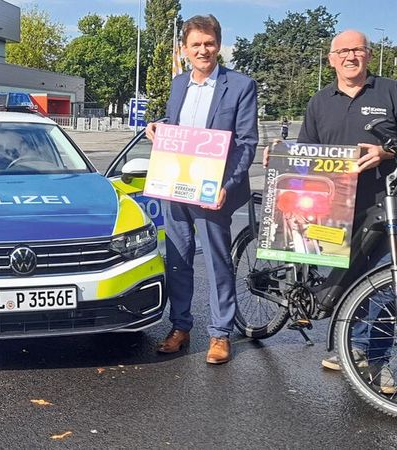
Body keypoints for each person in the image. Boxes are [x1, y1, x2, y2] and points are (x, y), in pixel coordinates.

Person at [145, 14, 258, 364]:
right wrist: (158, 129)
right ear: (185, 49)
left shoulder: (240, 86)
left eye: (209, 43)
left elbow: (246, 142)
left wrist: (229, 184)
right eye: (196, 44)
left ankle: (220, 333)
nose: (203, 50)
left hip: (214, 191)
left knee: (217, 261)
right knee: (177, 259)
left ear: (218, 46)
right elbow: (178, 127)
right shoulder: (179, 84)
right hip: (176, 185)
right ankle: (181, 326)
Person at [293, 30, 397, 389]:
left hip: (385, 205)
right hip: (337, 206)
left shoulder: (390, 91)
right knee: (345, 281)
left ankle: (374, 355)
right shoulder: (320, 101)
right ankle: (348, 348)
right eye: (343, 51)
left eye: (357, 50)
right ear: (331, 58)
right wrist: (279, 153)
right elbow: (305, 151)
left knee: (386, 285)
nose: (350, 56)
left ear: (368, 55)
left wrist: (387, 152)